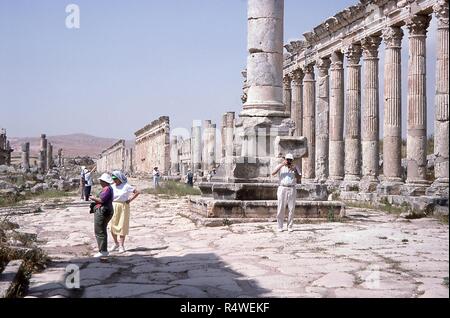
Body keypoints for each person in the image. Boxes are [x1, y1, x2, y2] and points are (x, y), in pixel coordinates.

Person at [110, 170, 140, 253]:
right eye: (113, 178)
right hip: (113, 206)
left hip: (123, 206)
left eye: (115, 178)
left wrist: (130, 200)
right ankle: (116, 243)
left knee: (122, 225)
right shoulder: (112, 186)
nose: (114, 180)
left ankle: (121, 245)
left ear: (119, 178)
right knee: (112, 225)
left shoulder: (126, 186)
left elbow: (137, 192)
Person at [271, 153, 301, 232]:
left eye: (290, 160)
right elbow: (273, 173)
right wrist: (281, 165)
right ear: (285, 159)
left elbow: (299, 178)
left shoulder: (295, 167)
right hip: (282, 188)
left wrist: (295, 172)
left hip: (292, 188)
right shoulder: (281, 166)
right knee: (281, 207)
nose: (289, 161)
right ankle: (280, 226)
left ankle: (290, 226)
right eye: (287, 159)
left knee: (291, 208)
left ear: (292, 160)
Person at [90, 173, 114, 257]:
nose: (100, 182)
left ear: (104, 181)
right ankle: (103, 249)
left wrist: (93, 198)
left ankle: (103, 250)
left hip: (103, 211)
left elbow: (101, 200)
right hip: (105, 210)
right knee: (102, 230)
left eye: (101, 181)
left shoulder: (107, 189)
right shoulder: (108, 188)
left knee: (99, 230)